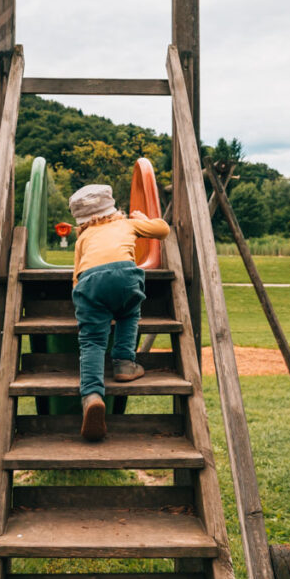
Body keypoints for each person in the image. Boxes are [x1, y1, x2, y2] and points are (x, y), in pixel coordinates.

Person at [69, 183, 170, 441]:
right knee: (129, 312)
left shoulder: (83, 238)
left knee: (91, 340)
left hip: (89, 282)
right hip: (126, 276)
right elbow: (163, 230)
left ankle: (92, 396)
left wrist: (81, 302)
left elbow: (76, 275)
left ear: (80, 220)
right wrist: (143, 219)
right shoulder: (126, 224)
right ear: (113, 209)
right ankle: (124, 363)